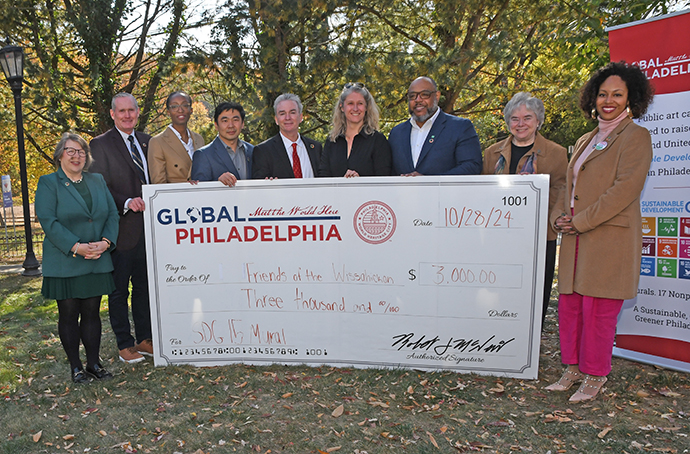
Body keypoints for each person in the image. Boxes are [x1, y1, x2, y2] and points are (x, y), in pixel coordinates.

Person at [546, 62, 654, 402]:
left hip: (610, 237)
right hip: (577, 237)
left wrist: (579, 221)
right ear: (593, 98)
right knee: (571, 306)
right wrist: (559, 216)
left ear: (631, 99)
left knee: (600, 310)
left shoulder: (637, 137)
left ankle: (595, 375)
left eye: (617, 95)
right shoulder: (584, 139)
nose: (609, 101)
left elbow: (624, 190)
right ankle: (573, 368)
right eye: (603, 94)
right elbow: (570, 185)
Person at [36, 133, 118, 383]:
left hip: (96, 256)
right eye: (70, 151)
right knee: (69, 313)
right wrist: (76, 247)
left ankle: (94, 363)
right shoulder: (49, 183)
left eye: (81, 151)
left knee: (92, 311)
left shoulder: (97, 180)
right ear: (60, 154)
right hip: (66, 258)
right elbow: (49, 221)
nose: (76, 156)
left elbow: (112, 214)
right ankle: (76, 367)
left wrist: (105, 243)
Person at [482, 92, 567, 330]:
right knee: (500, 286)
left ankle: (530, 339)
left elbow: (562, 189)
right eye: (515, 118)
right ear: (508, 121)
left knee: (536, 288)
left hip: (539, 234)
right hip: (499, 234)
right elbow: (483, 191)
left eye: (527, 118)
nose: (521, 124)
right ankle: (497, 332)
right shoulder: (492, 153)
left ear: (538, 120)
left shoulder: (556, 153)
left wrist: (539, 196)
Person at [89, 92, 153, 364]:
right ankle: (125, 343)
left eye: (132, 110)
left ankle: (144, 338)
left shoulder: (148, 142)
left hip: (150, 230)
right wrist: (126, 202)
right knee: (118, 291)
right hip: (121, 228)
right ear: (113, 114)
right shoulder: (100, 144)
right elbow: (98, 185)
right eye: (122, 111)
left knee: (144, 287)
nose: (128, 115)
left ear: (137, 113)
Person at [388, 76, 482, 176]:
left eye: (424, 95)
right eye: (412, 96)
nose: (418, 100)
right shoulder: (396, 133)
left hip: (447, 191)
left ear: (437, 96)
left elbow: (472, 167)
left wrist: (430, 182)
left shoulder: (460, 127)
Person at [319, 83, 391, 177]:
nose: (355, 108)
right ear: (342, 107)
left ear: (366, 107)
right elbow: (323, 178)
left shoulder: (378, 140)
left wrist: (359, 182)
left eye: (360, 103)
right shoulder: (332, 141)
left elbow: (384, 180)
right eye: (350, 103)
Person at [252, 93, 322, 179]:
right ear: (276, 119)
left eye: (292, 112)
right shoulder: (263, 151)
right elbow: (260, 187)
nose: (287, 117)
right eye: (282, 113)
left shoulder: (316, 148)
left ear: (300, 117)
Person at [191, 102, 254, 186]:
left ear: (242, 124)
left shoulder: (253, 151)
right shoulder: (203, 155)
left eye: (235, 120)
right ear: (216, 125)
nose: (231, 125)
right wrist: (218, 183)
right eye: (225, 121)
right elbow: (199, 192)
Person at [148, 91, 205, 184]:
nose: (180, 110)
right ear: (168, 112)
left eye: (185, 105)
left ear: (191, 110)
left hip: (201, 195)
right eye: (174, 106)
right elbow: (159, 184)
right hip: (175, 196)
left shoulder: (199, 139)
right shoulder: (157, 142)